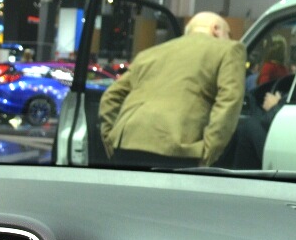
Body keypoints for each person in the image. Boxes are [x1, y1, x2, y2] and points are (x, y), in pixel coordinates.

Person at [97, 11, 246, 168]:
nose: (230, 39)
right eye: (229, 34)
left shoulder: (149, 53)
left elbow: (111, 96)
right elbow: (229, 100)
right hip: (178, 150)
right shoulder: (229, 49)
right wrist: (209, 152)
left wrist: (110, 138)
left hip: (127, 144)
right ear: (216, 29)